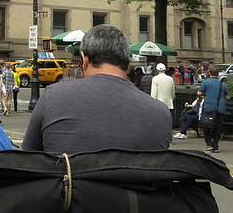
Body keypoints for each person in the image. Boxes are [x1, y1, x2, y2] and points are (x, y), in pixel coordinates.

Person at [22, 25, 171, 156]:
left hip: (68, 186)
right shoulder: (160, 113)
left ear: (84, 60)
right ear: (127, 61)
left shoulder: (52, 97)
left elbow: (29, 160)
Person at [197, 68, 228, 154]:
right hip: (220, 108)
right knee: (217, 128)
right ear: (218, 74)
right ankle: (215, 145)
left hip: (209, 107)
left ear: (210, 73)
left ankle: (209, 144)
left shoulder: (206, 82)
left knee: (206, 126)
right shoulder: (223, 84)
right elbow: (227, 96)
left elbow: (199, 93)